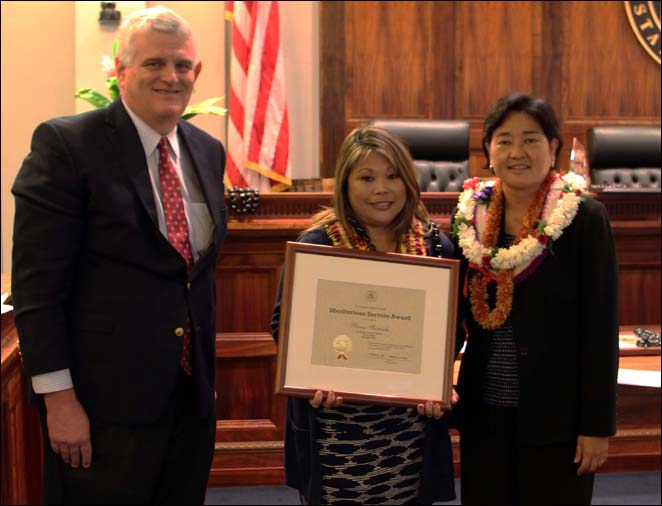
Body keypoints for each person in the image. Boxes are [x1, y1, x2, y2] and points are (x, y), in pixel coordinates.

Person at [11, 6, 227, 504]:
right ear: (121, 71)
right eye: (154, 64)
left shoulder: (206, 150)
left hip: (189, 403)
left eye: (182, 65)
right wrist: (59, 401)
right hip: (101, 408)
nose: (171, 77)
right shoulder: (67, 145)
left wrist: (205, 385)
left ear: (197, 73)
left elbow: (195, 277)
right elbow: (37, 288)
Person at [270, 126, 459, 505]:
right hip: (335, 431)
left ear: (408, 180)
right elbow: (284, 324)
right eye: (367, 177)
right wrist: (313, 374)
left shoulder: (437, 246)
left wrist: (436, 381)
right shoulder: (318, 246)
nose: (381, 189)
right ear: (345, 184)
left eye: (392, 176)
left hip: (408, 432)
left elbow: (453, 333)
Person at [450, 92, 619, 505]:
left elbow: (600, 327)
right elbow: (448, 316)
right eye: (504, 140)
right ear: (488, 151)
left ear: (554, 148)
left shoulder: (583, 218)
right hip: (485, 414)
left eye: (531, 139)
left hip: (558, 417)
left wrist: (597, 425)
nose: (516, 152)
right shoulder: (470, 219)